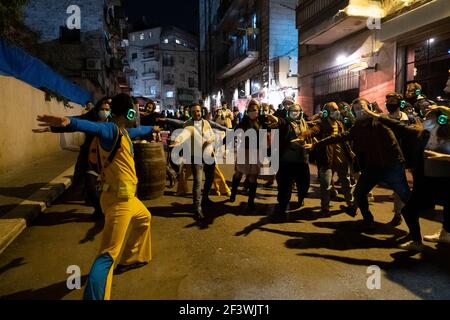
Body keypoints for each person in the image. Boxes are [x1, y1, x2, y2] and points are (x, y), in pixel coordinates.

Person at [34, 93, 159, 300]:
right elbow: (94, 127)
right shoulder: (110, 130)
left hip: (127, 199)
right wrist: (68, 123)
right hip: (120, 201)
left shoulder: (123, 132)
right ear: (127, 112)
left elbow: (140, 130)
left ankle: (131, 257)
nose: (136, 114)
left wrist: (152, 129)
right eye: (134, 111)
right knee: (107, 255)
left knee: (144, 218)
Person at [305, 98, 411, 230]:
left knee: (405, 197)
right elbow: (341, 136)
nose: (360, 111)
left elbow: (402, 128)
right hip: (373, 166)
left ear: (369, 108)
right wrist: (316, 144)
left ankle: (413, 232)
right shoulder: (358, 126)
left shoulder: (381, 119)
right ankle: (368, 219)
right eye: (356, 109)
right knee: (359, 193)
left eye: (362, 108)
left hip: (392, 165)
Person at [361, 104, 450, 251]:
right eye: (425, 117)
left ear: (442, 120)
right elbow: (399, 126)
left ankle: (445, 234)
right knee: (408, 210)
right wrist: (377, 116)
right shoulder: (421, 134)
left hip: (446, 182)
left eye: (429, 118)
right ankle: (416, 241)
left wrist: (442, 157)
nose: (425, 120)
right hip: (426, 182)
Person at [296, 102, 356, 217]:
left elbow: (345, 139)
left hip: (342, 159)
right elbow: (312, 131)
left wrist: (350, 153)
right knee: (325, 185)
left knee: (346, 184)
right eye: (334, 110)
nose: (337, 111)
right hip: (327, 159)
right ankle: (325, 208)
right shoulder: (322, 124)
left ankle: (350, 204)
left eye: (337, 109)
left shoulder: (339, 123)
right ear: (326, 112)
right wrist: (303, 136)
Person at [170, 103, 216, 220]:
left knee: (209, 179)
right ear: (190, 113)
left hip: (209, 157)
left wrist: (212, 139)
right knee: (197, 183)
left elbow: (212, 135)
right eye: (194, 111)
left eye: (198, 111)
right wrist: (177, 141)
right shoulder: (188, 125)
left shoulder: (206, 123)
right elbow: (183, 135)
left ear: (201, 111)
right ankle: (197, 208)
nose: (197, 113)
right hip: (196, 158)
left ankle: (205, 198)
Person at [269, 103, 311, 218]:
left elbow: (314, 128)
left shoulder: (305, 124)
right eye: (292, 110)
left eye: (297, 110)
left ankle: (301, 198)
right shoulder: (286, 123)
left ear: (301, 112)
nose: (294, 112)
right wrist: (276, 119)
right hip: (286, 161)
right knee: (284, 186)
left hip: (301, 160)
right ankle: (282, 207)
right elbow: (281, 122)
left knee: (304, 184)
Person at [229, 99, 269, 212]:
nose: (253, 112)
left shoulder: (262, 122)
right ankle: (233, 193)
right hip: (244, 151)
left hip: (256, 152)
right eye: (251, 110)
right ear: (247, 111)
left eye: (255, 110)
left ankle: (250, 202)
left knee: (253, 178)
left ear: (259, 110)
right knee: (238, 174)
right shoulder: (243, 122)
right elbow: (233, 132)